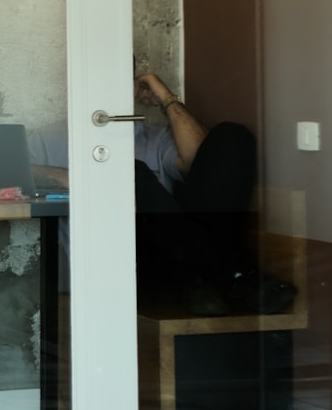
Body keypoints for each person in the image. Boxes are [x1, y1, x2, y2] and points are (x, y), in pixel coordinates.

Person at [29, 72, 273, 315]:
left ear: (137, 86)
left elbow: (205, 166)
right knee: (129, 170)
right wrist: (67, 177)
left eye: (124, 78)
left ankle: (211, 274)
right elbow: (10, 173)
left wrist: (166, 98)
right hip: (118, 266)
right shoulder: (50, 138)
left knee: (232, 136)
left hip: (173, 260)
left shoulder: (156, 136)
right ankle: (230, 273)